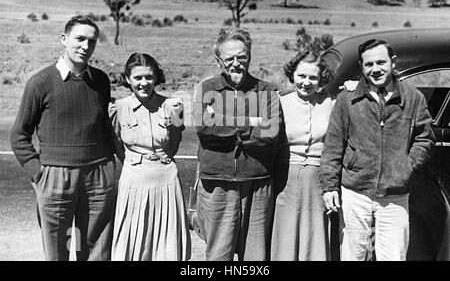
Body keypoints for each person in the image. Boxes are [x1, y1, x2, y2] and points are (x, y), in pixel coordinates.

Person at [10, 15, 117, 261]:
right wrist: (40, 174)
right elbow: (19, 136)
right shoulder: (40, 82)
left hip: (98, 177)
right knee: (58, 251)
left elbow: (102, 127)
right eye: (79, 39)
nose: (85, 46)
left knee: (94, 251)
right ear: (64, 39)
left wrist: (110, 168)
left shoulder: (101, 80)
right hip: (56, 178)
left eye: (91, 41)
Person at [319, 39, 435, 261]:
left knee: (394, 255)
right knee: (353, 254)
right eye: (368, 64)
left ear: (393, 62)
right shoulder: (347, 98)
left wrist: (405, 168)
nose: (375, 69)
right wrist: (329, 186)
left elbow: (424, 138)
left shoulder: (413, 98)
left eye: (381, 62)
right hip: (355, 190)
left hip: (396, 193)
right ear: (362, 67)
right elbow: (333, 145)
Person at [193, 27, 282, 261]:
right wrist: (251, 122)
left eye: (241, 57)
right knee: (218, 254)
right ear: (218, 60)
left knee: (255, 256)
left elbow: (270, 132)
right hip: (217, 182)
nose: (236, 63)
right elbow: (205, 127)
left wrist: (225, 122)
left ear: (249, 56)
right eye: (229, 58)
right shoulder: (207, 88)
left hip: (257, 181)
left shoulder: (266, 90)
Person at [110, 53, 191, 261]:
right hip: (134, 179)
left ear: (156, 78)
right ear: (128, 79)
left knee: (166, 244)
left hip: (166, 179)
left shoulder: (172, 106)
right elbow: (117, 144)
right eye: (137, 78)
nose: (144, 83)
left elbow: (173, 144)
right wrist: (135, 162)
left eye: (149, 77)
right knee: (134, 242)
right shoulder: (118, 108)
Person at [271, 51, 334, 261]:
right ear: (292, 75)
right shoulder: (279, 102)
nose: (306, 82)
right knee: (285, 237)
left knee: (314, 237)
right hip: (285, 180)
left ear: (321, 79)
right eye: (301, 76)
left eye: (313, 78)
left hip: (317, 180)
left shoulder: (332, 103)